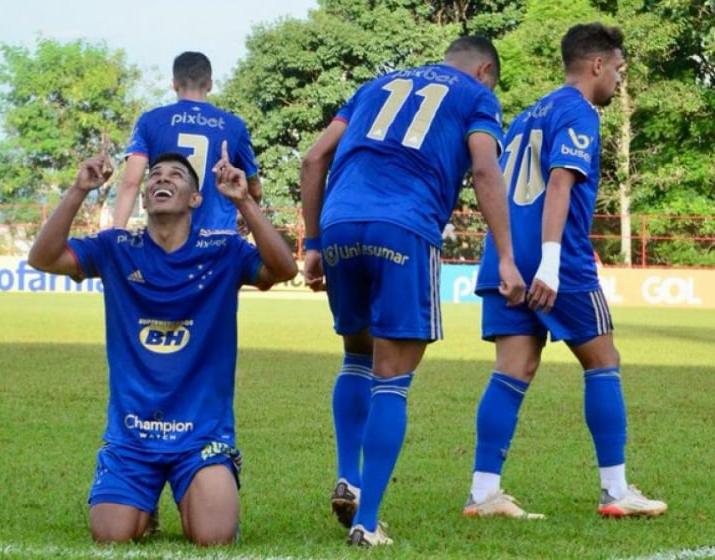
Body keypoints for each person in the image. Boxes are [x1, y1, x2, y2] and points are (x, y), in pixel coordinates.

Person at [300, 36, 526, 546]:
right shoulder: (476, 96)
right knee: (392, 378)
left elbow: (314, 160)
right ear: (485, 69)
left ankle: (347, 476)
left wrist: (312, 241)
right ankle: (368, 520)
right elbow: (486, 168)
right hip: (403, 227)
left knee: (356, 354)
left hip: (339, 223)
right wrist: (507, 256)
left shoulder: (374, 85)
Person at [28, 142, 297, 545]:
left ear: (195, 198)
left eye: (175, 176)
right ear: (144, 196)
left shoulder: (222, 250)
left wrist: (244, 202)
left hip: (201, 437)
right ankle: (142, 501)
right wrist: (78, 190)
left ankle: (209, 481)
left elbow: (283, 268)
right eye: (154, 176)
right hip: (133, 436)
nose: (161, 180)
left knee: (214, 538)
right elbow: (43, 258)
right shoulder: (116, 247)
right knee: (111, 535)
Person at [465, 22, 666, 519]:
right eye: (617, 70)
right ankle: (616, 490)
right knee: (603, 360)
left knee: (512, 370)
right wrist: (552, 265)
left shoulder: (531, 113)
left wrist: (514, 258)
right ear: (596, 64)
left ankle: (483, 492)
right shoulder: (579, 112)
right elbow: (559, 184)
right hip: (558, 260)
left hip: (506, 257)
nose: (618, 81)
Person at [112, 51, 263, 231]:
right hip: (218, 239)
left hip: (166, 238)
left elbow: (130, 184)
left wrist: (115, 235)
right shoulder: (234, 125)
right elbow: (254, 186)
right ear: (210, 84)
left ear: (174, 84)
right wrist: (250, 212)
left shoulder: (149, 120)